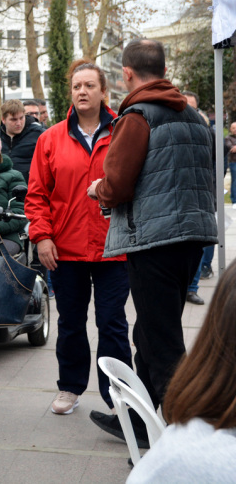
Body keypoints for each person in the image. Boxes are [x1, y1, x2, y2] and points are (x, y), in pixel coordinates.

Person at [87, 39, 217, 445]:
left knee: (161, 345)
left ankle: (186, 439)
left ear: (127, 73)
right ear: (162, 68)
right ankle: (140, 422)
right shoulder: (194, 116)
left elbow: (120, 184)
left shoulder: (137, 115)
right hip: (191, 240)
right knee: (149, 333)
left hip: (154, 242)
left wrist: (99, 189)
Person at [25, 59, 132, 417]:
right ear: (70, 93)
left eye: (89, 85)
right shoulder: (50, 138)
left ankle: (118, 395)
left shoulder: (124, 132)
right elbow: (37, 195)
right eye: (76, 86)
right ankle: (70, 387)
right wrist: (42, 236)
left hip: (114, 247)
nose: (82, 91)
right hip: (64, 250)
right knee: (70, 324)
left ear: (104, 91)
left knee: (112, 324)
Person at [126, 262, 236, 483]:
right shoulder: (216, 461)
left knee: (157, 339)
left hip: (157, 245)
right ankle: (147, 420)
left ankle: (153, 420)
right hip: (163, 244)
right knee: (148, 337)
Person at [183, 91, 215, 304]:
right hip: (174, 197)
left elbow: (214, 164)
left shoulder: (206, 132)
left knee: (198, 244)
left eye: (192, 108)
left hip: (200, 197)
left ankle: (192, 288)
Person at [0, 99, 44, 184]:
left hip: (30, 188)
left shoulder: (39, 134)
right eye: (13, 119)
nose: (19, 123)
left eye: (21, 118)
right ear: (3, 119)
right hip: (2, 189)